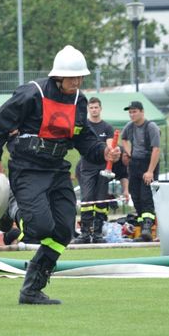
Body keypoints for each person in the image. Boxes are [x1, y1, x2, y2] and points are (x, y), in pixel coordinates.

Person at [0, 45, 120, 304]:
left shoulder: (80, 100)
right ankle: (10, 207)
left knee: (64, 231)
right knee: (40, 226)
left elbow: (84, 141)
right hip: (27, 168)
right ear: (58, 76)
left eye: (81, 77)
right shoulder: (31, 94)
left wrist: (104, 151)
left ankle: (32, 289)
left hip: (57, 170)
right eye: (73, 78)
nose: (77, 82)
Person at [73, 97, 114, 244]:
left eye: (96, 107)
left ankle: (97, 233)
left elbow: (110, 145)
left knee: (101, 201)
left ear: (100, 108)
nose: (94, 110)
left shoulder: (107, 127)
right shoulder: (85, 126)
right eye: (91, 107)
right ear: (88, 109)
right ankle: (85, 233)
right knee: (87, 199)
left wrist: (112, 150)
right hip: (87, 168)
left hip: (103, 168)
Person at [121, 100, 161, 241]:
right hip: (134, 165)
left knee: (146, 197)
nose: (132, 114)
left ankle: (147, 229)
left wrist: (150, 171)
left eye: (134, 111)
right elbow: (123, 139)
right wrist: (129, 152)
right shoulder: (129, 127)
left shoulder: (151, 127)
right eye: (130, 112)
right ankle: (141, 224)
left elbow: (156, 150)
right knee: (135, 196)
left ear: (142, 112)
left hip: (148, 164)